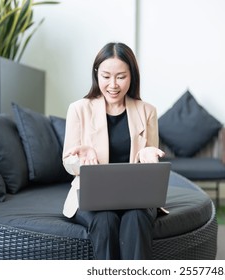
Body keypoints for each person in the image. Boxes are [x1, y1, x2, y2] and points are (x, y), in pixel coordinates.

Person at [62, 42, 165, 260]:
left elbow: (150, 157)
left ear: (132, 76)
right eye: (106, 76)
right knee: (105, 219)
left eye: (121, 76)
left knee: (136, 217)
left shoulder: (148, 111)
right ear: (97, 74)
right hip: (92, 196)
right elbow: (68, 161)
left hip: (137, 196)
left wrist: (146, 156)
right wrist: (81, 161)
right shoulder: (79, 109)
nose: (113, 84)